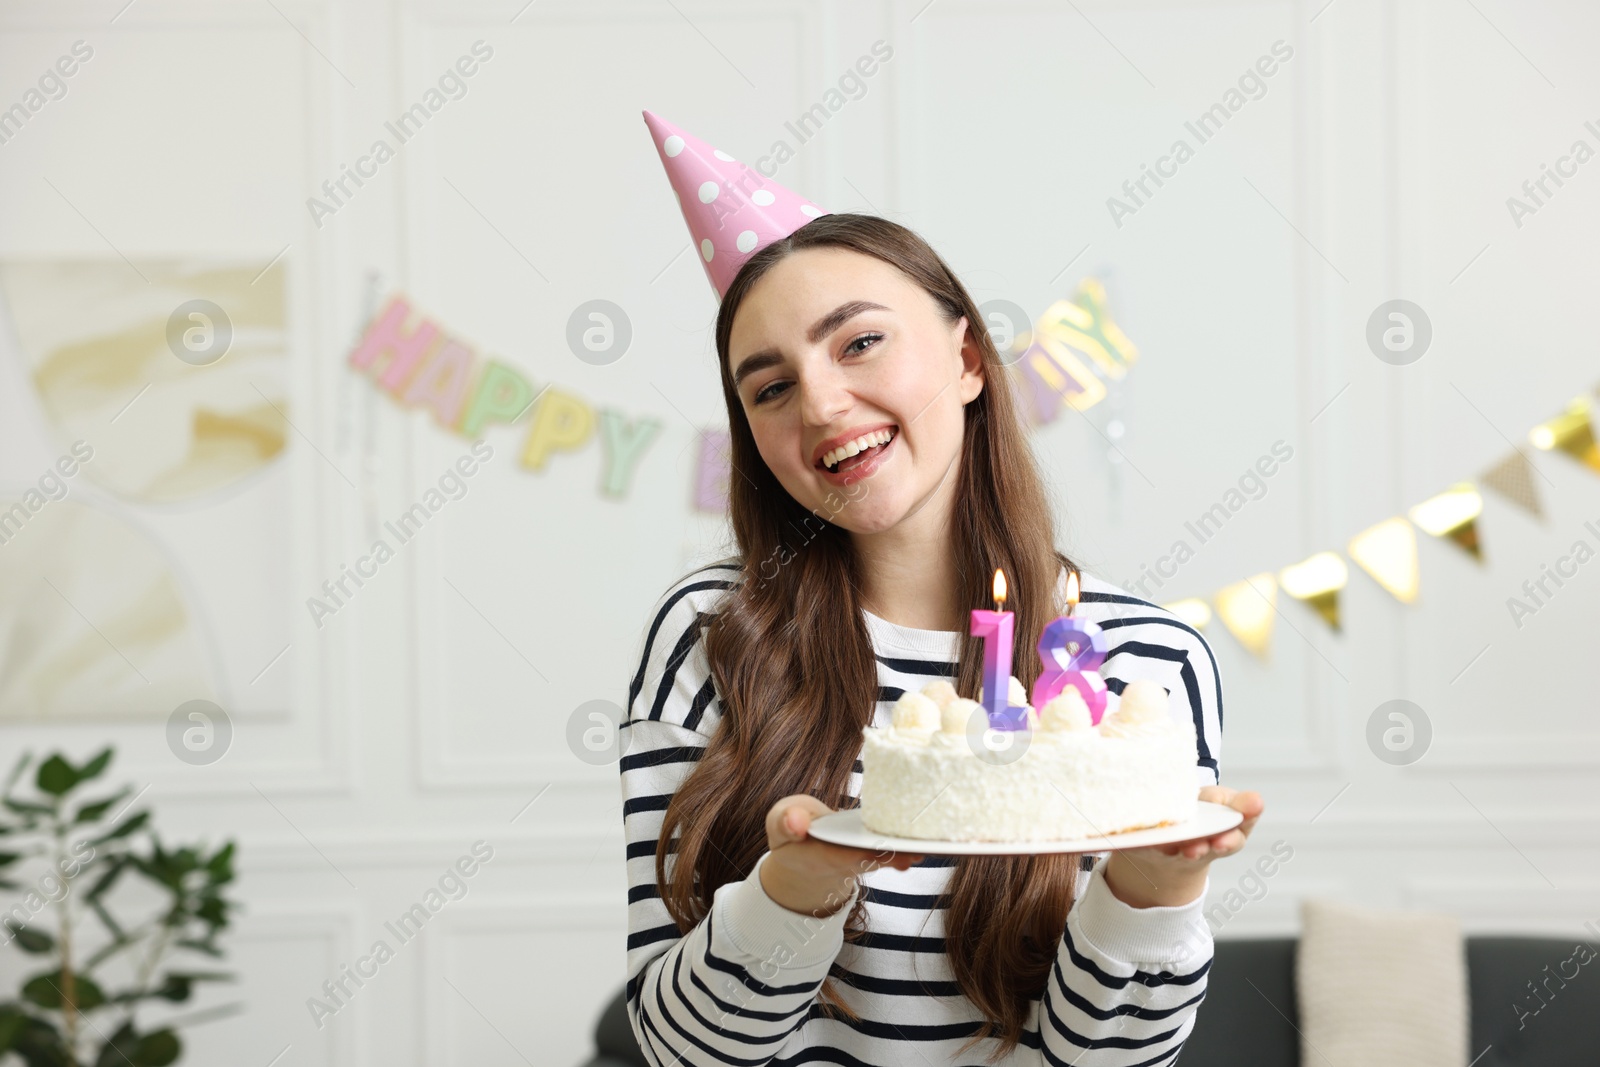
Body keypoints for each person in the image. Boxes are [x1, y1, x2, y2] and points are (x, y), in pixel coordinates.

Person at [621, 113, 1263, 1066]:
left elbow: (1114, 1063)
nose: (823, 404)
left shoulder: (1145, 659)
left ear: (967, 360)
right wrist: (795, 886)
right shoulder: (713, 638)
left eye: (860, 343)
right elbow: (682, 1052)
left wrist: (1146, 891)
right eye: (769, 388)